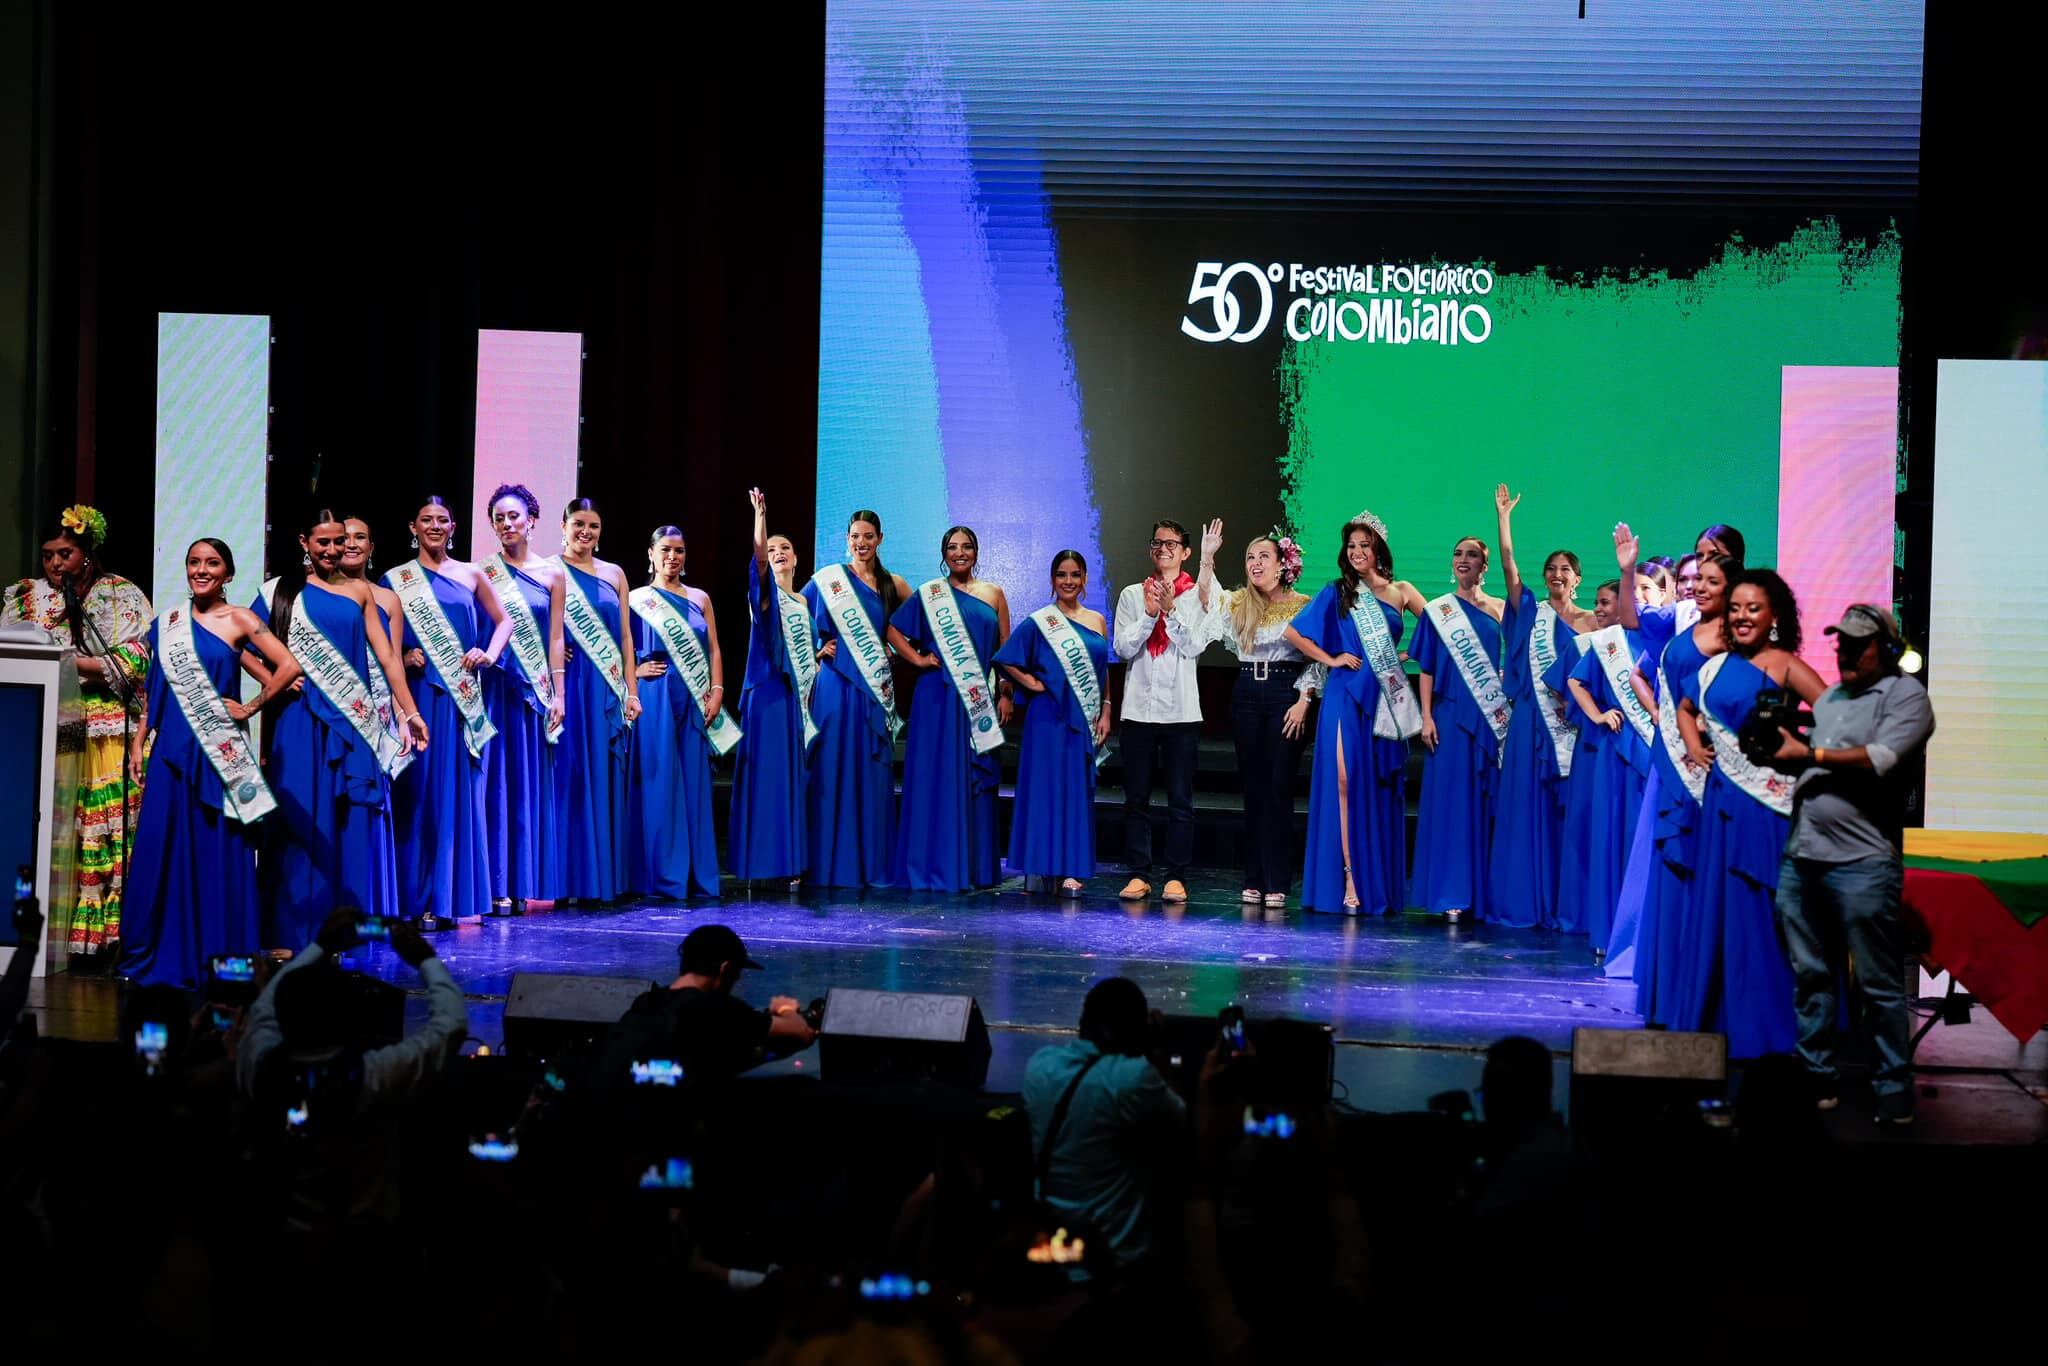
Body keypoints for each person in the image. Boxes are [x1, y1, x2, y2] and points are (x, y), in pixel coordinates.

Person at [1769, 604, 1935, 1123]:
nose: (1845, 652)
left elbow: (1881, 759)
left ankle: (1893, 1087)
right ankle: (1817, 1077)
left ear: (1887, 648)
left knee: (1879, 984)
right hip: (1804, 856)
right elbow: (1807, 764)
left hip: (1862, 862)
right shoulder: (1832, 699)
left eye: (1858, 645)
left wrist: (1809, 756)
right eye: (1841, 643)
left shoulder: (1906, 697)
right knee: (1811, 977)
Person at [119, 540, 299, 988]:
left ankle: (217, 951)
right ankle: (163, 947)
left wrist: (251, 706)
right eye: (194, 562)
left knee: (216, 849)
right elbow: (154, 689)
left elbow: (289, 666)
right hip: (171, 750)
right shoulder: (169, 623)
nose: (201, 570)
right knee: (163, 847)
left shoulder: (241, 619)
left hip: (219, 754)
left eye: (212, 563)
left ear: (228, 573)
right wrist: (139, 741)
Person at [253, 508, 427, 951]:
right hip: (297, 720)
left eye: (340, 541)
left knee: (345, 826)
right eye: (324, 542)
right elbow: (242, 644)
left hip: (351, 725)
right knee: (296, 826)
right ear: (304, 543)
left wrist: (410, 712)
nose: (334, 549)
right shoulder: (281, 592)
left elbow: (388, 658)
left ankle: (337, 935)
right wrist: (273, 680)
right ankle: (289, 933)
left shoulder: (360, 592)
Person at [235, 906, 469, 1230]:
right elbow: (450, 1025)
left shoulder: (258, 1066)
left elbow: (264, 1010)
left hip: (283, 1233)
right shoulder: (375, 1076)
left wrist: (320, 946)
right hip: (365, 1237)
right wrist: (424, 958)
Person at [1673, 569, 1825, 1058]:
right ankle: (1723, 1019)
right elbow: (1684, 708)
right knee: (1725, 910)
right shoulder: (1714, 667)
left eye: (1753, 608)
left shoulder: (1786, 665)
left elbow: (1837, 716)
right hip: (1723, 806)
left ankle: (1774, 1023)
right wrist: (1694, 746)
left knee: (1769, 911)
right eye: (1735, 608)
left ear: (1774, 616)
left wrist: (1803, 752)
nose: (1741, 617)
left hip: (1769, 808)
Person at [3, 506, 151, 961]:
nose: (55, 563)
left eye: (64, 554)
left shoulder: (118, 594)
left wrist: (70, 661)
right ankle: (50, 938)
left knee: (103, 827)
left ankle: (111, 940)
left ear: (86, 554)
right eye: (48, 554)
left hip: (104, 728)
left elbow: (136, 659)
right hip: (45, 722)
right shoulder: (25, 597)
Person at [1285, 512, 1427, 914]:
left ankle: (1375, 878)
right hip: (1344, 693)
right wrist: (1330, 658)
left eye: (1365, 545)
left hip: (1383, 696)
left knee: (1375, 784)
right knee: (1344, 781)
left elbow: (1436, 629)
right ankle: (1348, 875)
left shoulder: (1402, 591)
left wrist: (1403, 655)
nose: (1357, 552)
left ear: (1379, 549)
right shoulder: (1337, 591)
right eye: (1351, 546)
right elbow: (1293, 633)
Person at [382, 496, 513, 929]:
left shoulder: (471, 573)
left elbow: (505, 622)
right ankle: (414, 897)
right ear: (413, 527)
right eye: (427, 520)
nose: (435, 526)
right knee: (418, 795)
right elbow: (381, 642)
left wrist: (489, 653)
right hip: (417, 697)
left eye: (442, 520)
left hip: (461, 698)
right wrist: (404, 655)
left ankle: (447, 898)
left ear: (453, 527)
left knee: (455, 797)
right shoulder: (395, 580)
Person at [1622, 548, 1738, 1025]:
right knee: (1671, 870)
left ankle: (1703, 997)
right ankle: (1669, 993)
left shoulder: (1738, 634)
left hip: (1711, 772)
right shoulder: (1681, 624)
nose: (1698, 587)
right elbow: (1633, 622)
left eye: (1709, 580)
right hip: (1674, 764)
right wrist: (1626, 570)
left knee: (1703, 872)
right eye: (1693, 579)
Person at [1486, 486, 1596, 929]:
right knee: (1525, 808)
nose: (1556, 574)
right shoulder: (1531, 610)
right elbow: (1509, 566)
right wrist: (1504, 519)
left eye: (1565, 569)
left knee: (1564, 813)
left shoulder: (1592, 622)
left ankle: (1563, 900)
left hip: (1572, 726)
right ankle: (1524, 899)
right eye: (1551, 568)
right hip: (1531, 718)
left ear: (1578, 578)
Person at [1022, 977, 1187, 1268]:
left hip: (1049, 1251)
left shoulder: (1040, 1065)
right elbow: (1182, 1122)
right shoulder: (1131, 1079)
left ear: (1082, 1023)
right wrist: (1156, 1051)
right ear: (1139, 1032)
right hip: (1115, 1262)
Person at [1199, 529, 1321, 910]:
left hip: (1286, 693)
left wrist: (1304, 699)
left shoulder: (1304, 605)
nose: (1255, 563)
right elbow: (1207, 597)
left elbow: (1316, 657)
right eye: (1250, 557)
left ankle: (1278, 880)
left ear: (1282, 564)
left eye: (1263, 556)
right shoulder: (1240, 603)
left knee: (1279, 787)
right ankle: (1254, 877)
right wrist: (1207, 557)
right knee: (1253, 789)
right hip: (1248, 693)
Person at [888, 526, 1011, 892]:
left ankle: (972, 868)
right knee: (933, 777)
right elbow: (892, 630)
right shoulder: (930, 593)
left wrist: (1006, 693)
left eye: (966, 547)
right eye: (953, 547)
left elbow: (1005, 651)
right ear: (944, 554)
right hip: (936, 698)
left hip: (977, 701)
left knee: (974, 779)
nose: (960, 553)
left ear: (976, 552)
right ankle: (930, 865)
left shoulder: (994, 593)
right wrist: (917, 659)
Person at [1112, 518, 1219, 905]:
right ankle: (1139, 873)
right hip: (1138, 711)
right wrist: (1149, 614)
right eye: (1157, 543)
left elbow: (1194, 646)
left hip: (1180, 712)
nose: (1163, 549)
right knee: (1136, 798)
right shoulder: (1131, 594)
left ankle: (1175, 876)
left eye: (1171, 544)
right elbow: (1122, 648)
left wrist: (1170, 611)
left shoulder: (1199, 593)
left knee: (1180, 799)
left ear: (1186, 552)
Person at [994, 550, 1112, 896]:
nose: (1068, 581)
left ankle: (1072, 869)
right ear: (1052, 580)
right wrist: (1030, 683)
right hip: (1046, 717)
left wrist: (1106, 709)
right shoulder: (1040, 622)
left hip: (1083, 717)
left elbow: (1103, 672)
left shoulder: (1097, 621)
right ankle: (1038, 869)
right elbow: (1005, 659)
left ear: (1085, 579)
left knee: (1076, 791)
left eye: (1075, 575)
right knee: (1043, 791)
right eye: (1061, 575)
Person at [804, 509, 911, 889]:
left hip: (873, 688)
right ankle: (827, 863)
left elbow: (920, 625)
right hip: (834, 684)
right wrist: (817, 650)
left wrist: (904, 653)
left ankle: (869, 863)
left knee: (870, 769)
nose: (861, 543)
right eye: (855, 536)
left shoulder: (893, 584)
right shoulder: (827, 580)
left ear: (880, 538)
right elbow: (793, 619)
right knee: (830, 767)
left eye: (868, 536)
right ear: (846, 539)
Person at [479, 484, 568, 914]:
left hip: (533, 694)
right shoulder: (482, 571)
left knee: (526, 786)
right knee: (496, 784)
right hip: (494, 689)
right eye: (499, 518)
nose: (507, 524)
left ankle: (521, 883)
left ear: (531, 520)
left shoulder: (552, 573)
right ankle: (494, 884)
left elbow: (555, 639)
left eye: (514, 516)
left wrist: (559, 694)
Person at [626, 525, 727, 900]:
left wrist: (717, 690)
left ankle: (697, 875)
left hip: (695, 695)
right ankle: (662, 875)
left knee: (694, 785)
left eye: (679, 551)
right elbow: (622, 646)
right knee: (660, 782)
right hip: (655, 696)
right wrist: (634, 673)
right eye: (666, 550)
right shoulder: (636, 599)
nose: (673, 557)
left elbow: (714, 649)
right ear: (651, 554)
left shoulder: (700, 598)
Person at [1409, 533, 1506, 923]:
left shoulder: (1500, 609)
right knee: (1451, 804)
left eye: (1473, 555)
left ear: (1485, 565)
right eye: (1458, 553)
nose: (1463, 559)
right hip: (1448, 716)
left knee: (1484, 802)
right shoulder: (1438, 611)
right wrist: (1426, 716)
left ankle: (1481, 896)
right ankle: (1451, 892)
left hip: (1489, 718)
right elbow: (1427, 668)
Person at [1554, 580, 1652, 954]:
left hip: (1653, 748)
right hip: (1617, 749)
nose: (1639, 597)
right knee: (1614, 836)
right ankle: (1611, 930)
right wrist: (1597, 714)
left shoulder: (1664, 639)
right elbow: (1574, 680)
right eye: (1635, 591)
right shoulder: (1609, 642)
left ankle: (1644, 932)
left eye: (1646, 591)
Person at [555, 497, 641, 905]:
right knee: (569, 776)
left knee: (604, 776)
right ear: (564, 526)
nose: (585, 532)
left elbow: (625, 637)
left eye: (593, 526)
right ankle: (565, 881)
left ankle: (601, 880)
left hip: (605, 688)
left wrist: (632, 690)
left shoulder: (614, 573)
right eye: (578, 524)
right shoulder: (549, 570)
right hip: (569, 685)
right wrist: (554, 649)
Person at [600, 924, 816, 1086]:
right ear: (726, 969)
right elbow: (800, 1031)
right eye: (737, 973)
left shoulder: (647, 1001)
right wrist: (786, 1009)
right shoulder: (717, 1008)